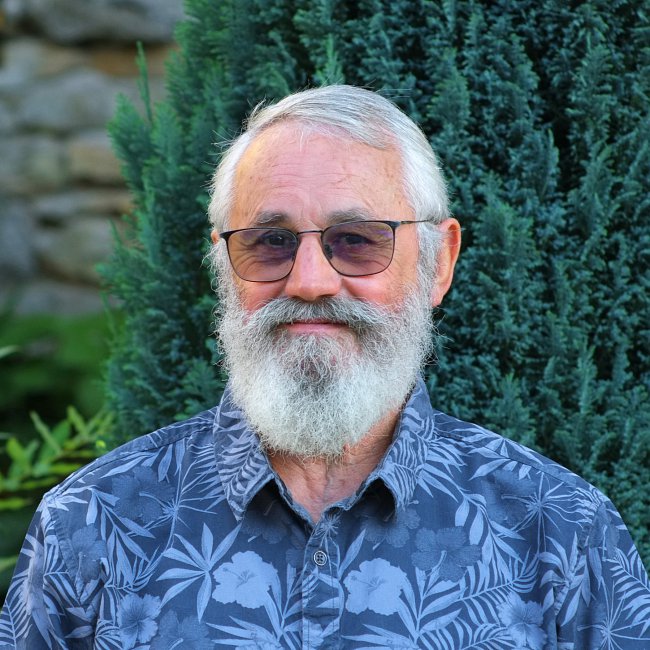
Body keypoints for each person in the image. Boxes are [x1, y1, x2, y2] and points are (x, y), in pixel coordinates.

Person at [1, 85, 648, 649]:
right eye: (270, 242)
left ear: (439, 263)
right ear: (223, 266)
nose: (310, 281)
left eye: (357, 241)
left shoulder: (562, 534)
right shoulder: (94, 525)